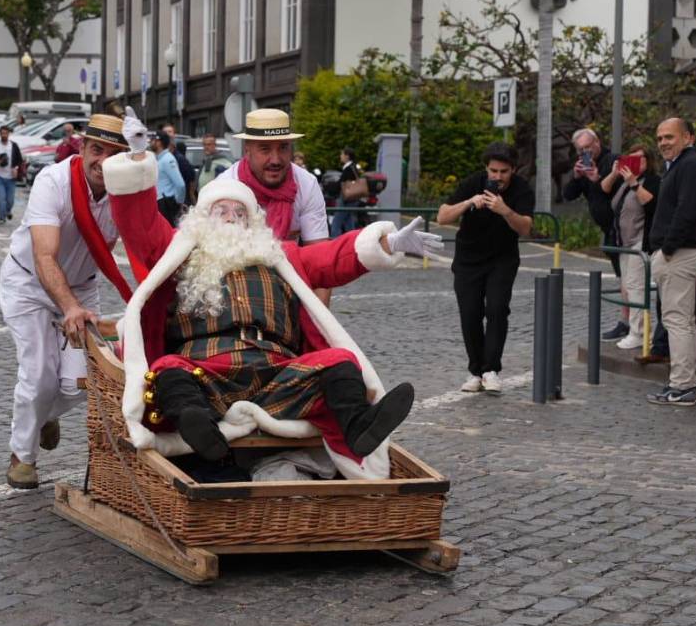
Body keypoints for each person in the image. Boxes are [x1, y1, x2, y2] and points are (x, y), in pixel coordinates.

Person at [100, 118, 443, 478]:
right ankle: (201, 432)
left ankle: (359, 429)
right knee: (168, 372)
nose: (231, 219)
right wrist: (138, 158)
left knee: (339, 362)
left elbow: (332, 258)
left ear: (253, 223)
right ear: (201, 221)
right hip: (209, 373)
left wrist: (389, 243)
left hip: (277, 373)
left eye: (239, 213)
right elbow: (140, 226)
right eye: (221, 212)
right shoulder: (183, 257)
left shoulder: (282, 258)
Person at [0, 114, 130, 489]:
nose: (102, 161)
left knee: (81, 381)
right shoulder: (52, 181)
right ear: (83, 148)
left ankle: (40, 415)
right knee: (39, 373)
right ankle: (22, 458)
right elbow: (44, 257)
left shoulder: (125, 195)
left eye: (113, 153)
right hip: (29, 284)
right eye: (96, 149)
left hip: (82, 288)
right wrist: (70, 307)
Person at [436, 142, 535, 395]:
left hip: (502, 259)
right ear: (486, 168)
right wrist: (469, 202)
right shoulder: (473, 182)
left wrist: (505, 211)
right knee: (470, 313)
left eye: (503, 172)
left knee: (497, 309)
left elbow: (525, 228)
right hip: (468, 259)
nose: (498, 177)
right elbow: (442, 216)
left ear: (513, 169)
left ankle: (491, 370)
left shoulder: (522, 189)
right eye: (493, 171)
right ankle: (475, 371)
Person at [646, 117, 696, 407]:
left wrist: (667, 248)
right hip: (679, 252)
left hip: (679, 253)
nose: (663, 143)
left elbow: (686, 210)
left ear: (688, 137)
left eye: (669, 137)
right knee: (681, 320)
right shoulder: (682, 166)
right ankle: (684, 382)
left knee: (677, 320)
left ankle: (683, 386)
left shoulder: (691, 165)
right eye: (660, 138)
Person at [219, 109, 329, 245]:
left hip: (291, 264)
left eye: (283, 148)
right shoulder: (224, 187)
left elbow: (317, 251)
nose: (275, 160)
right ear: (247, 151)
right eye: (265, 149)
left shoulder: (307, 184)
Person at [599, 144, 660, 352]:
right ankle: (636, 330)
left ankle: (640, 333)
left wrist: (634, 184)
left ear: (649, 161)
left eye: (640, 159)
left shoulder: (651, 181)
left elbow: (651, 203)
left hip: (640, 242)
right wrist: (616, 173)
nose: (636, 162)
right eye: (632, 158)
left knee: (635, 288)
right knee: (627, 287)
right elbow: (604, 189)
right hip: (622, 243)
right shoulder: (624, 183)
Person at [563, 128, 623, 340]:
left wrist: (596, 179)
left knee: (627, 278)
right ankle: (626, 322)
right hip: (607, 229)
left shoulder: (612, 161)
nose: (585, 152)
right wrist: (576, 176)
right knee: (621, 277)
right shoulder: (583, 164)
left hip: (621, 228)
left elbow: (613, 194)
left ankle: (627, 322)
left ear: (597, 142)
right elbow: (568, 195)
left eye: (588, 147)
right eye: (580, 149)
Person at [0, 125, 23, 224]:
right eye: (2, 133)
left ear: (9, 134)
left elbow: (19, 160)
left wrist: (16, 168)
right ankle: (2, 217)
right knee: (1, 198)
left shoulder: (14, 146)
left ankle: (7, 211)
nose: (4, 135)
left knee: (10, 200)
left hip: (11, 177)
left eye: (6, 133)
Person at [153, 131, 186, 226]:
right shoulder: (159, 159)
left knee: (168, 234)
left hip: (166, 204)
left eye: (153, 140)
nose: (151, 143)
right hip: (161, 203)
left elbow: (180, 184)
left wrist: (178, 203)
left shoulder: (168, 159)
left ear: (159, 142)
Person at [332, 148, 363, 237]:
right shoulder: (353, 167)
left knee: (336, 223)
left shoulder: (349, 168)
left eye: (342, 154)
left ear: (347, 156)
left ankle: (335, 245)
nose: (340, 156)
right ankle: (353, 243)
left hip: (347, 199)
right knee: (348, 223)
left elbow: (344, 182)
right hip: (352, 199)